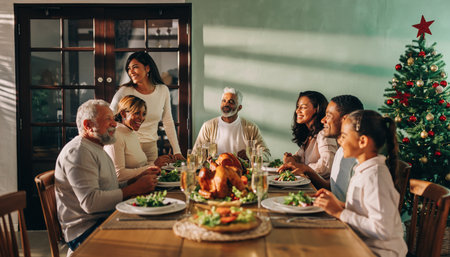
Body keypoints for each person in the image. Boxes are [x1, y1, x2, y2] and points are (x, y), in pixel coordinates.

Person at [55, 99, 158, 253]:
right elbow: (91, 203)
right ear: (88, 125)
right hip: (86, 233)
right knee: (152, 236)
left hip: (105, 219)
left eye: (113, 118)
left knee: (155, 224)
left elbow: (110, 188)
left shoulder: (97, 148)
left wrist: (134, 180)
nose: (115, 124)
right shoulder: (78, 152)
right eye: (108, 119)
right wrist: (133, 189)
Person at [314, 110, 407, 257]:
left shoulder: (375, 177)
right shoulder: (364, 170)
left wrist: (340, 213)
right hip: (361, 244)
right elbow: (365, 211)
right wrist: (337, 204)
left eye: (344, 136)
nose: (339, 141)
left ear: (363, 141)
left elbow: (382, 229)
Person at [279, 95, 363, 201]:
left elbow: (357, 207)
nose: (323, 120)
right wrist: (306, 170)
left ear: (345, 119)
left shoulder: (359, 158)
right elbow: (333, 188)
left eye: (328, 115)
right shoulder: (341, 151)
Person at [110, 51, 184, 164]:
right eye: (129, 69)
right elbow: (110, 117)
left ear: (147, 68)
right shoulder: (125, 91)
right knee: (134, 179)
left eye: (135, 67)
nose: (131, 72)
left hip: (151, 147)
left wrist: (176, 151)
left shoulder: (163, 90)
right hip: (129, 146)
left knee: (153, 178)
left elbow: (168, 121)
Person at [192, 87, 270, 161]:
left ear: (239, 108)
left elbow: (266, 154)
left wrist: (250, 155)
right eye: (224, 101)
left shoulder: (251, 128)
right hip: (216, 173)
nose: (226, 104)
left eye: (231, 102)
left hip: (242, 173)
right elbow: (195, 155)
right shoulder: (208, 126)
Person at [104, 95, 161, 182]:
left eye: (144, 114)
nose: (141, 118)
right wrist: (152, 166)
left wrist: (157, 164)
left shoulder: (132, 132)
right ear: (123, 113)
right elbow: (118, 175)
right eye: (137, 113)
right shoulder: (115, 136)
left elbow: (140, 167)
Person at [283, 91, 337, 179]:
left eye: (303, 107)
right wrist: (291, 159)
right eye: (297, 107)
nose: (297, 111)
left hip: (320, 188)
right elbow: (300, 158)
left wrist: (303, 168)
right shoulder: (310, 135)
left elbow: (326, 166)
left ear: (317, 109)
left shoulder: (323, 134)